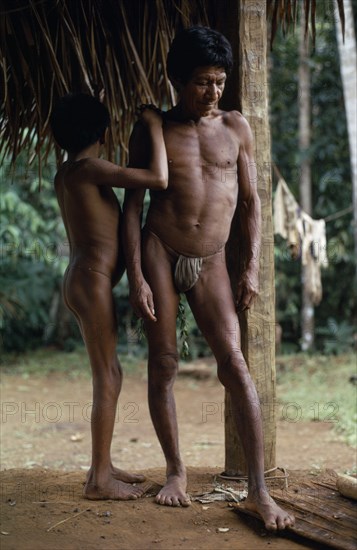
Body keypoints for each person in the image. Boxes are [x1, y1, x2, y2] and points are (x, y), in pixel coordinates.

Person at [123, 27, 295, 531]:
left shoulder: (237, 127)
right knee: (165, 361)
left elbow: (251, 202)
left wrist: (252, 267)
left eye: (219, 81)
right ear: (178, 79)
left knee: (235, 364)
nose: (213, 91)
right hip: (160, 245)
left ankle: (260, 490)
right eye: (202, 81)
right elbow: (133, 206)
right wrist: (136, 277)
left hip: (214, 257)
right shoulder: (153, 129)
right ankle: (175, 473)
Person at [50, 93, 168, 500]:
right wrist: (154, 125)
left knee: (108, 372)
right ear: (104, 132)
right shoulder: (90, 169)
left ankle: (103, 465)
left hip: (80, 279)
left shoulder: (65, 173)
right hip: (91, 280)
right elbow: (158, 179)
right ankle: (99, 479)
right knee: (109, 375)